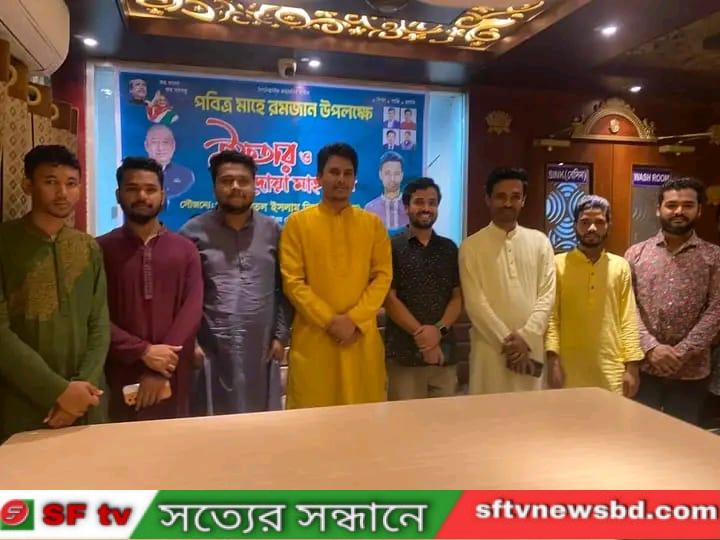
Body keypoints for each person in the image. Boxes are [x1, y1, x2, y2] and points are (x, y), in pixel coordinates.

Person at [0, 145, 109, 440]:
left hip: (88, 399)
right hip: (23, 399)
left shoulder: (88, 247)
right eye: (50, 182)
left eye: (71, 183)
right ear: (27, 185)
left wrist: (81, 391)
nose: (62, 193)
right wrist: (57, 392)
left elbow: (99, 324)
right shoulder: (6, 243)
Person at [280, 142, 392, 408]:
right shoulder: (297, 224)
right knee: (311, 422)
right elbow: (293, 282)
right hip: (315, 341)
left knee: (363, 420)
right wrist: (330, 321)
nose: (341, 179)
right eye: (334, 172)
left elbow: (382, 277)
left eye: (347, 173)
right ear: (319, 178)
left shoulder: (373, 225)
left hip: (360, 339)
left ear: (354, 180)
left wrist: (353, 320)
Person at [180, 150, 290, 415]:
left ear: (254, 185)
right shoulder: (192, 233)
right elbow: (180, 296)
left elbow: (286, 288)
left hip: (261, 349)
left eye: (243, 181)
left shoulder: (273, 231)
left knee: (262, 424)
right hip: (211, 350)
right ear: (214, 186)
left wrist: (280, 335)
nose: (236, 187)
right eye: (227, 181)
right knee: (213, 424)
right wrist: (190, 342)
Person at [97, 157, 202, 422]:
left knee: (174, 443)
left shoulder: (185, 249)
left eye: (150, 189)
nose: (142, 196)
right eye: (132, 189)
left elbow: (191, 309)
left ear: (163, 195)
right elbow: (93, 315)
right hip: (120, 371)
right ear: (118, 195)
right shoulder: (99, 250)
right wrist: (142, 351)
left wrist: (161, 366)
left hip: (173, 374)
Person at [625, 177, 720, 425]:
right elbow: (626, 307)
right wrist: (651, 348)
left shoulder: (714, 257)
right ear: (658, 209)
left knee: (682, 440)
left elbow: (716, 310)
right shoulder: (636, 254)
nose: (679, 211)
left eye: (688, 205)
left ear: (699, 210)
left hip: (692, 372)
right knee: (639, 435)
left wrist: (681, 352)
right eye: (671, 205)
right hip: (644, 367)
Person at [459, 167, 555, 394]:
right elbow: (475, 304)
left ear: (523, 200)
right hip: (490, 352)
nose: (508, 203)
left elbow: (547, 296)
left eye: (515, 197)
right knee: (489, 412)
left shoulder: (540, 242)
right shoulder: (471, 247)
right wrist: (509, 343)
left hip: (530, 349)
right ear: (488, 199)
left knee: (531, 413)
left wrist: (527, 337)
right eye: (501, 197)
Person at [545, 195, 643, 395]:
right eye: (584, 222)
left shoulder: (620, 266)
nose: (591, 228)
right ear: (574, 225)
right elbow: (552, 317)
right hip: (567, 369)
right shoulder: (557, 264)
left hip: (611, 369)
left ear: (608, 225)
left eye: (599, 222)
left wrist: (632, 367)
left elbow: (628, 319)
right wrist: (553, 361)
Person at [384, 178, 462, 400]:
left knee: (445, 420)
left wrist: (438, 331)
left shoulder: (449, 248)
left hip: (444, 356)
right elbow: (389, 299)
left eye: (432, 202)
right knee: (405, 420)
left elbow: (457, 297)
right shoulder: (392, 246)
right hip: (404, 356)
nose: (426, 208)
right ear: (406, 207)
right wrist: (424, 337)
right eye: (419, 202)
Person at [144, 124, 195, 200]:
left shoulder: (186, 176)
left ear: (173, 146)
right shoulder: (135, 174)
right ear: (146, 146)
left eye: (165, 142)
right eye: (155, 142)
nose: (160, 148)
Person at [364, 151, 409, 230]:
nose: (392, 179)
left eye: (396, 173)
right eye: (387, 173)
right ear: (380, 175)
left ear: (402, 175)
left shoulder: (411, 207)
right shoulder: (370, 209)